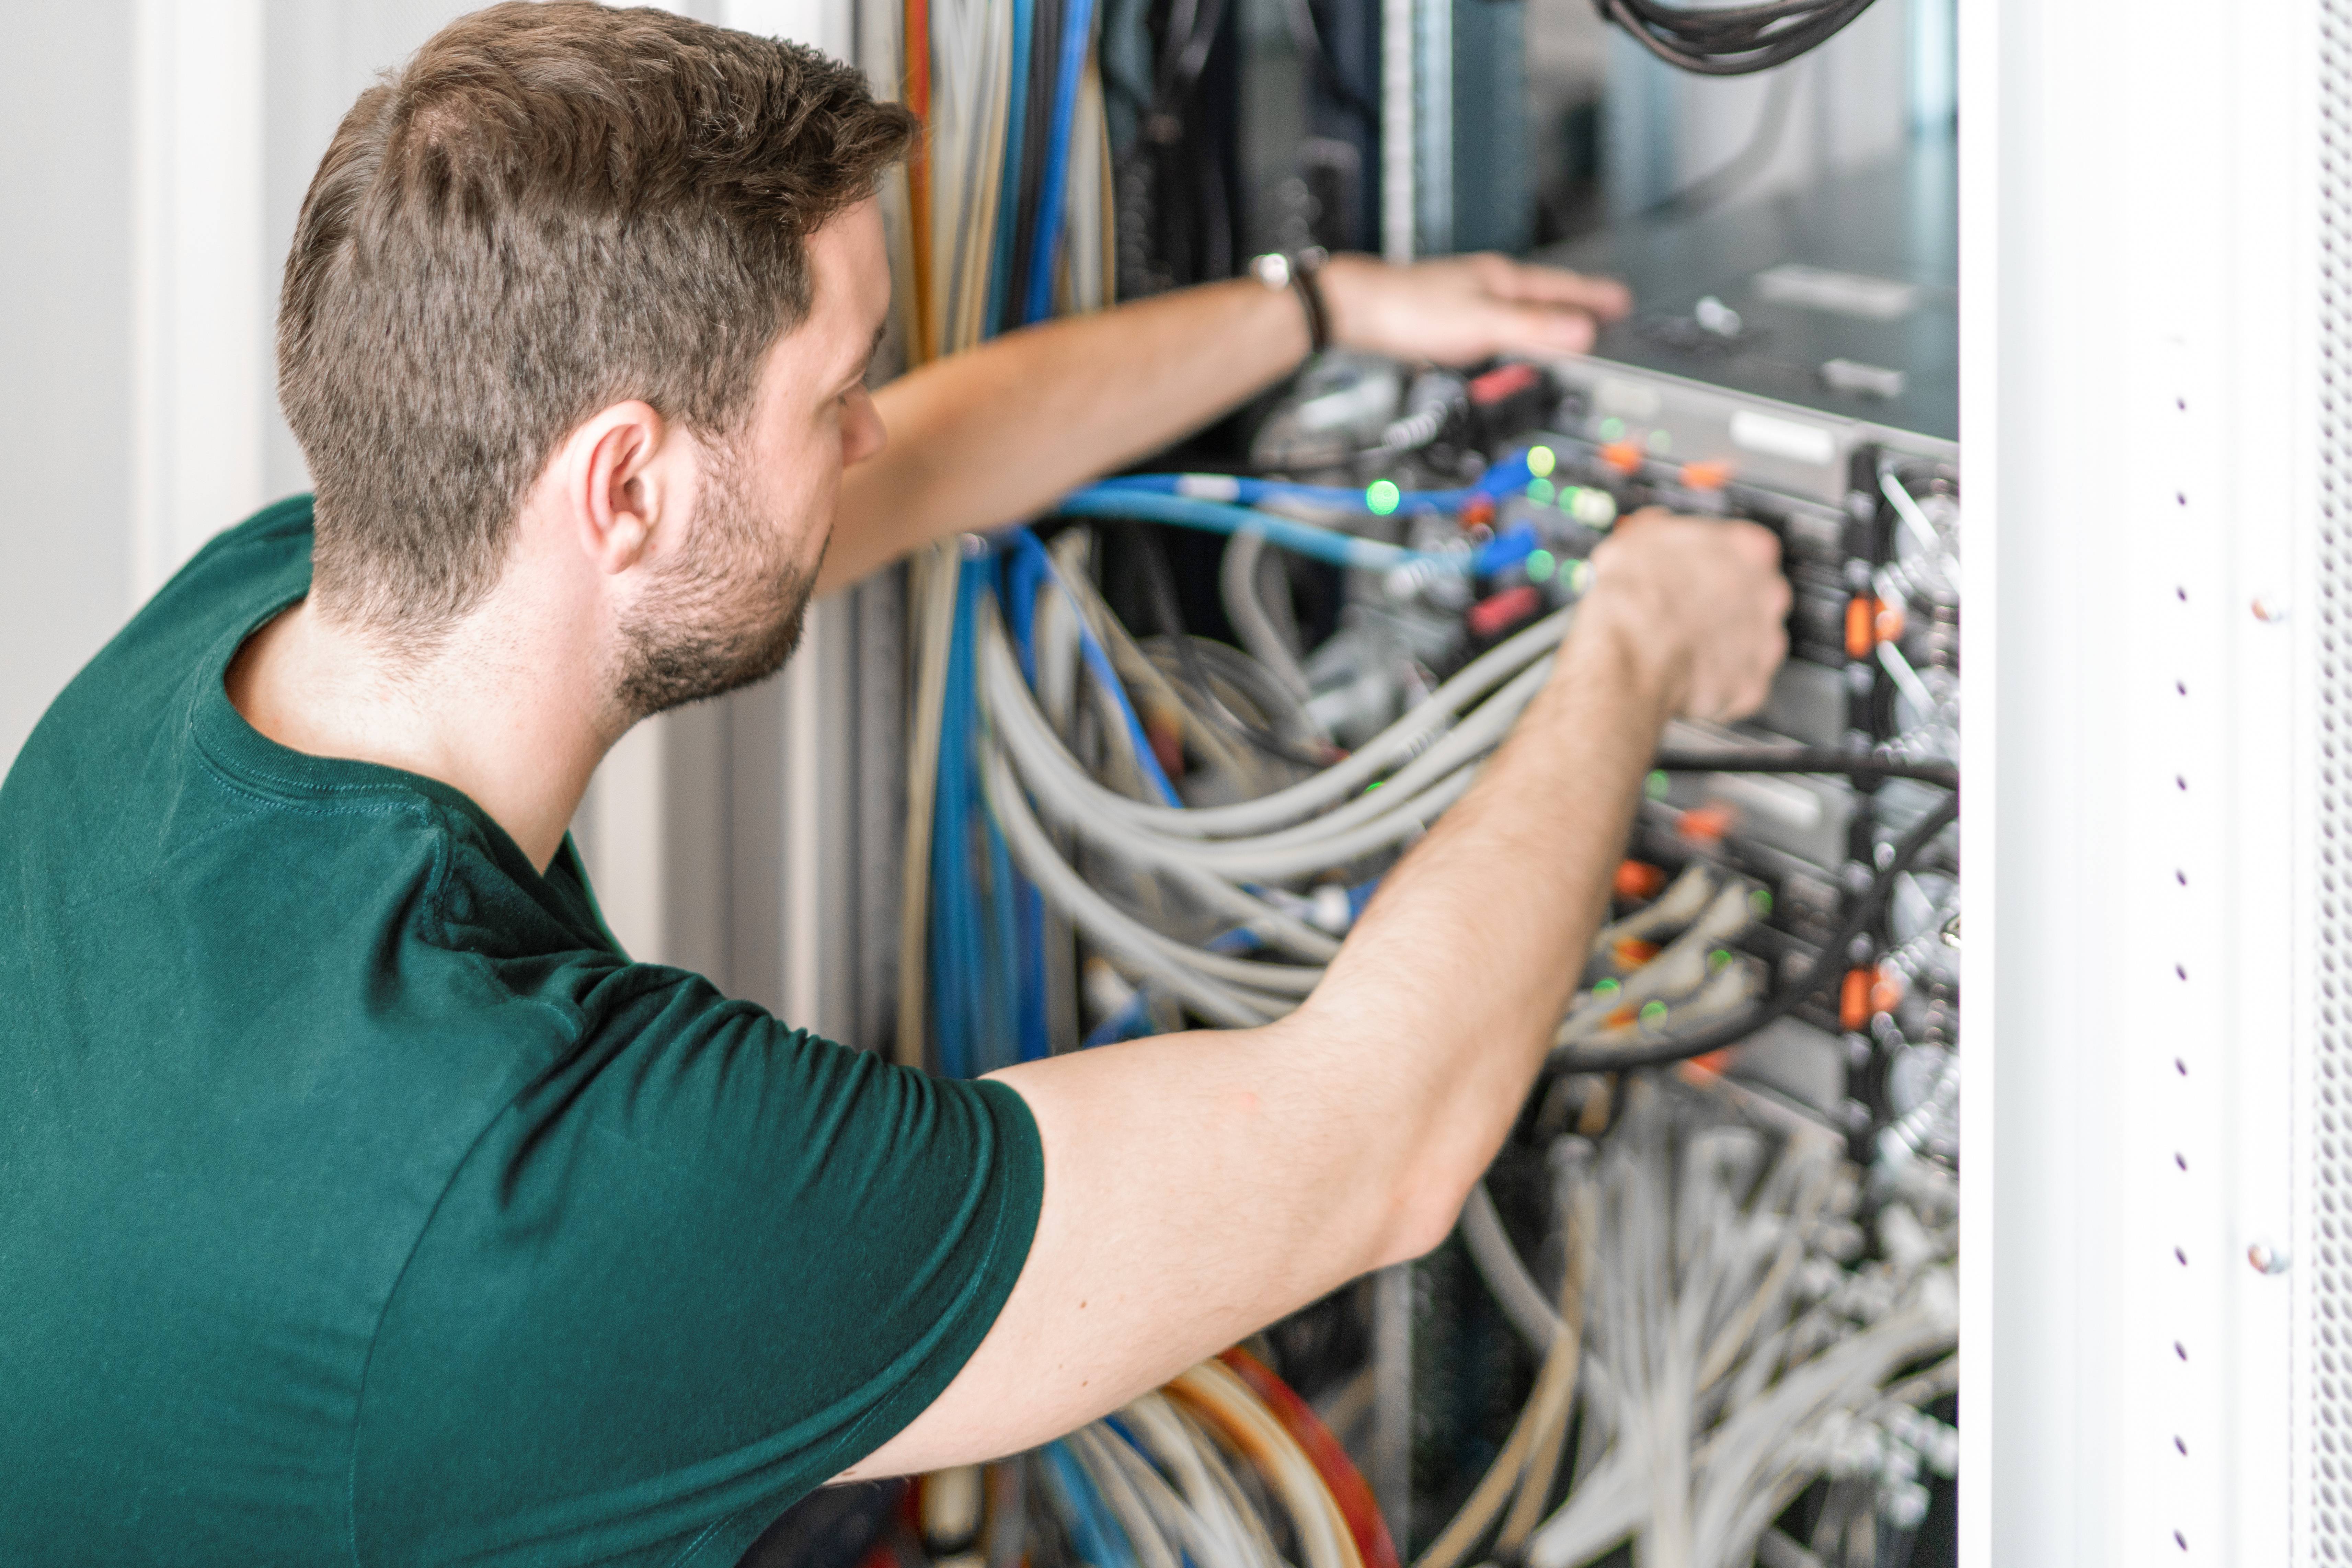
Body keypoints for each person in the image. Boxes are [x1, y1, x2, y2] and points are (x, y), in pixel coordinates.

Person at [0, 5, 1787, 1566]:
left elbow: (916, 466)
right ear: (620, 485)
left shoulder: (245, 618)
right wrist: (1628, 642)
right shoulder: (545, 1175)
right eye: (837, 389)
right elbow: (1371, 1149)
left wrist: (1306, 309)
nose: (871, 427)